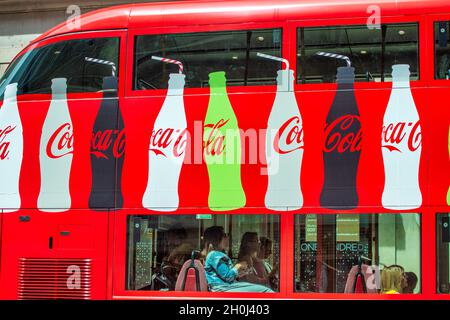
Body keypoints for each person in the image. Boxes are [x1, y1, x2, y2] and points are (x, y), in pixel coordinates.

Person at [203, 226, 274, 293]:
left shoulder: (216, 255)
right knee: (266, 291)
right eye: (225, 235)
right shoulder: (214, 255)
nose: (228, 237)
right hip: (222, 288)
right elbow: (228, 277)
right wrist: (238, 266)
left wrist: (241, 272)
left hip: (227, 286)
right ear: (216, 238)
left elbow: (227, 275)